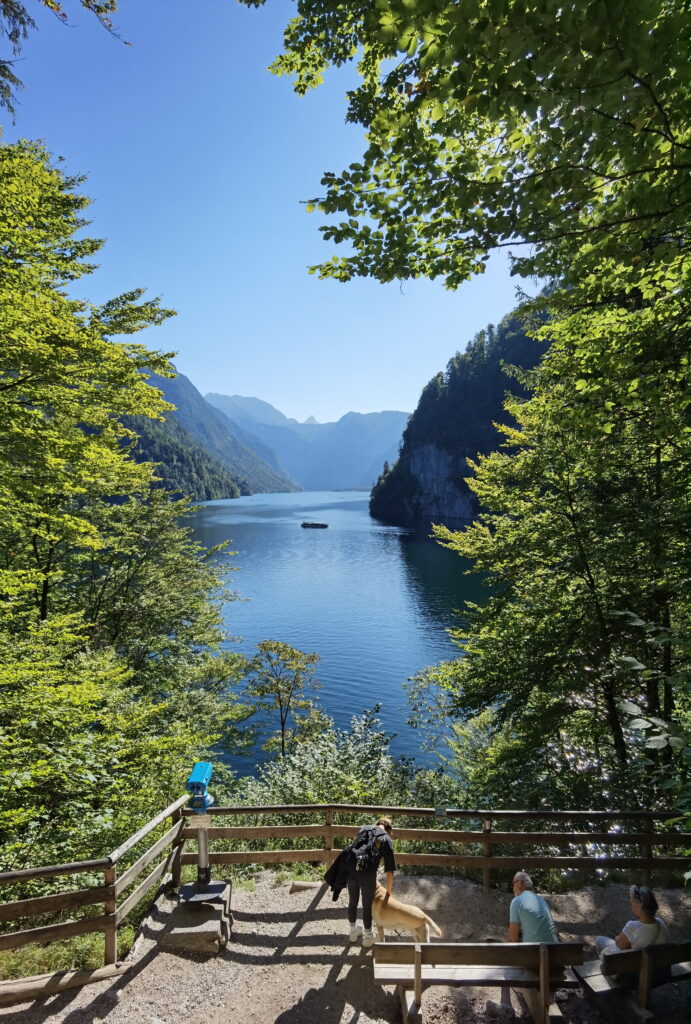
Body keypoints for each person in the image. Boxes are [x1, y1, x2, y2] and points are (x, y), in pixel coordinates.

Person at [346, 816, 396, 948]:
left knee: (352, 901)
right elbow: (390, 871)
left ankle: (353, 932)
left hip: (351, 869)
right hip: (368, 874)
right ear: (389, 829)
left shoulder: (364, 829)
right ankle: (368, 937)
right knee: (367, 906)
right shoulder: (386, 839)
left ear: (377, 824)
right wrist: (388, 892)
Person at [596, 884, 670, 957]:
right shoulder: (661, 923)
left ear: (639, 904)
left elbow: (621, 945)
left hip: (636, 967)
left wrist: (616, 938)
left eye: (632, 899)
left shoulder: (632, 926)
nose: (630, 901)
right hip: (658, 966)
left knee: (599, 939)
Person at [508, 871, 559, 943]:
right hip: (556, 950)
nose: (513, 889)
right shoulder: (542, 901)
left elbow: (513, 938)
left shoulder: (516, 901)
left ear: (519, 883)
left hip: (534, 952)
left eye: (513, 884)